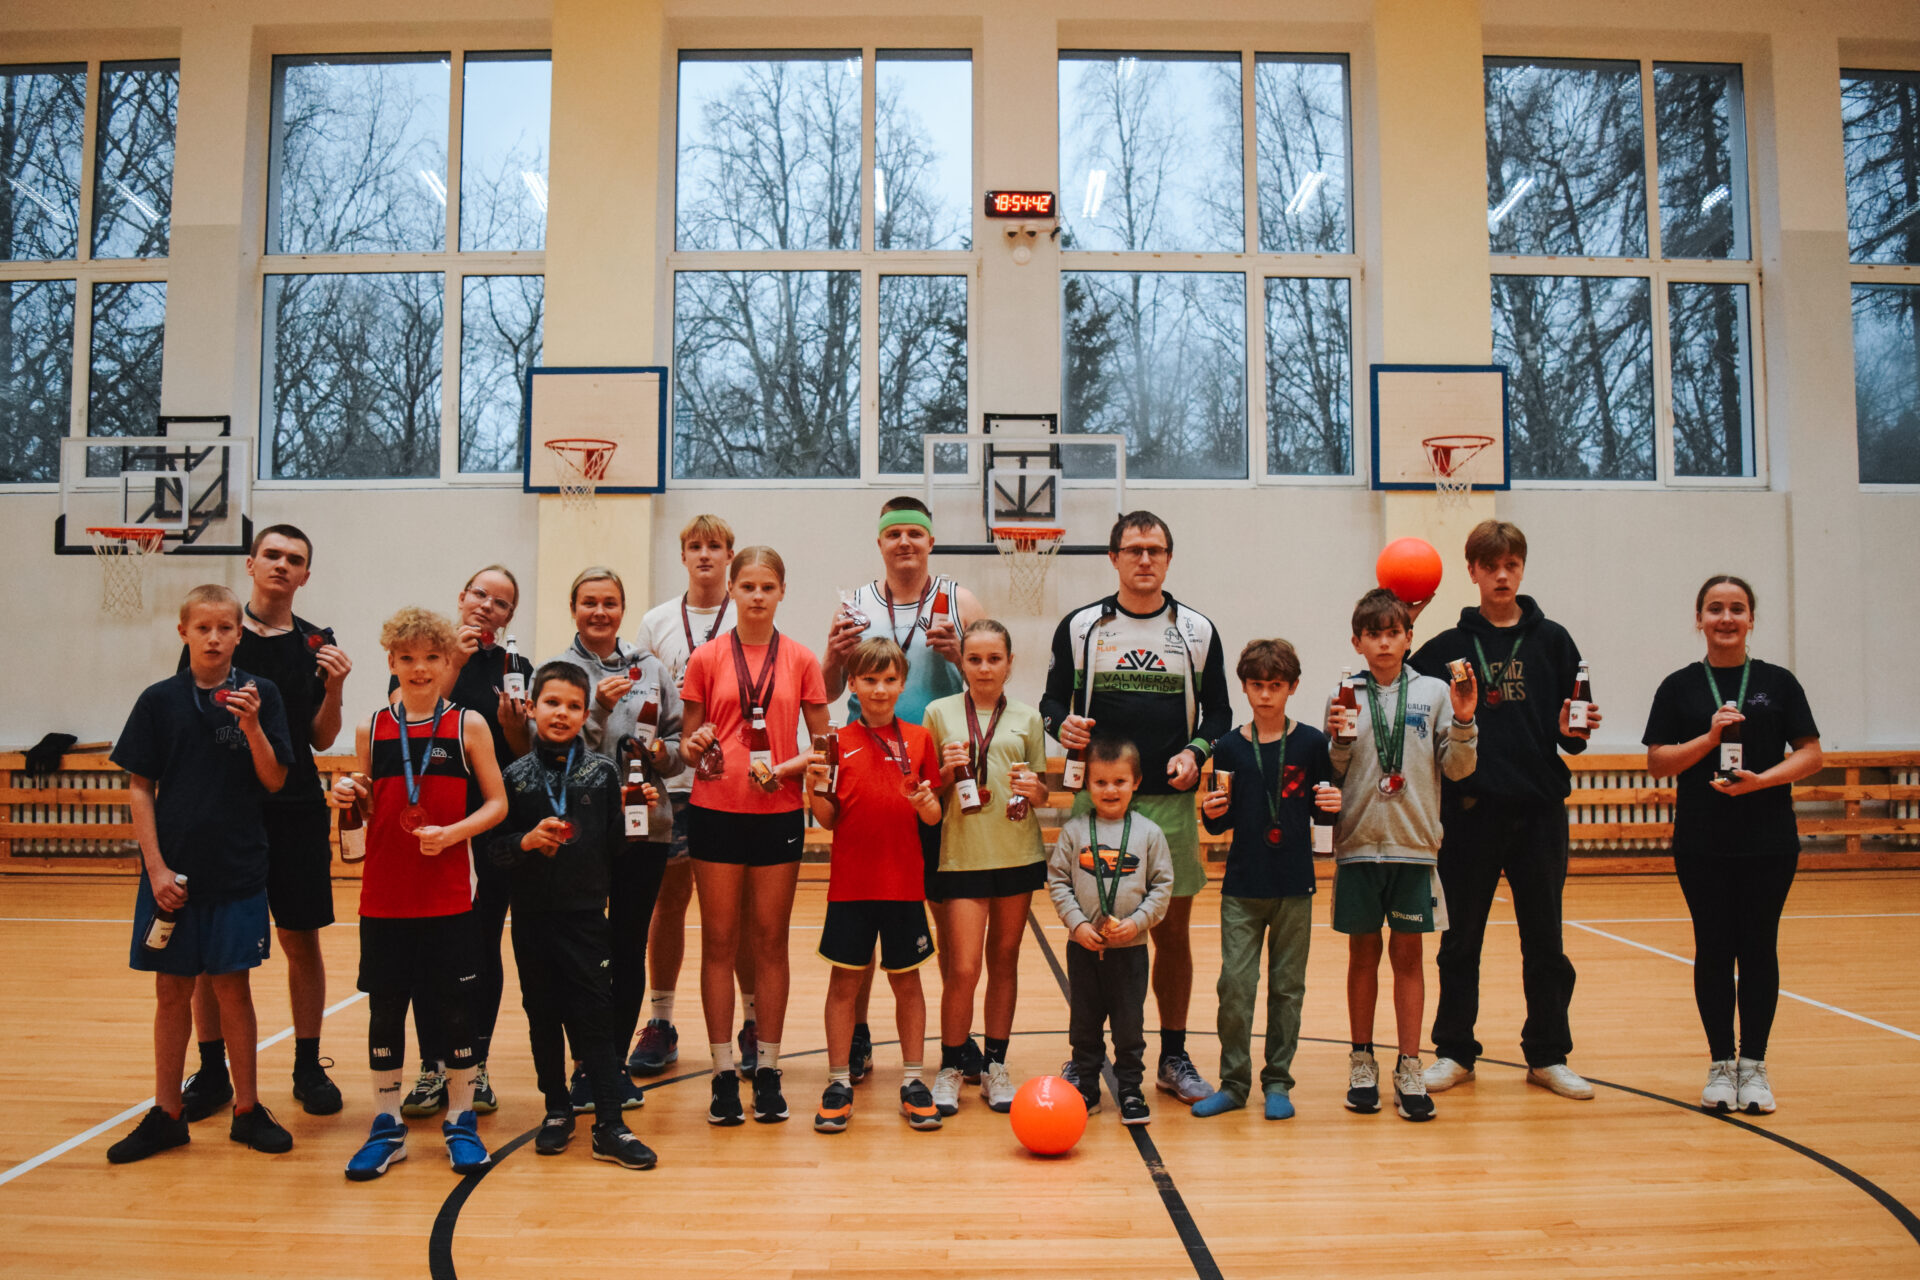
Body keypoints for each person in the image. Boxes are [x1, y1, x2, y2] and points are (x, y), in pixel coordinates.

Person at [1040, 511, 1229, 1106]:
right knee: (1094, 931)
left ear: (1169, 558)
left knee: (1171, 935)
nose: (1144, 559)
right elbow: (1050, 702)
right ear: (1113, 558)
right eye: (1133, 549)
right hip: (1096, 803)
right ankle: (1085, 1060)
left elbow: (1220, 714)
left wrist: (1197, 751)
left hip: (1169, 806)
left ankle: (1172, 1056)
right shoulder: (1082, 627)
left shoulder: (1196, 630)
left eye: (1155, 550)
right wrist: (1060, 725)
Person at [1407, 521, 1599, 1101]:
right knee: (1460, 941)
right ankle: (1454, 1051)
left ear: (1522, 569)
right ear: (1472, 571)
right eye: (1490, 565)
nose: (1501, 575)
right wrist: (1405, 619)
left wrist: (1575, 730)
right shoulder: (1443, 648)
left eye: (1511, 564)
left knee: (1545, 942)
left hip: (1539, 813)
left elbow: (1573, 733)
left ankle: (1548, 1055)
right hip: (1469, 814)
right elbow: (1400, 697)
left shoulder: (1555, 642)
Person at [107, 584, 297, 1163]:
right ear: (184, 632)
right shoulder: (158, 700)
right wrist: (156, 869)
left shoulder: (261, 694)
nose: (214, 638)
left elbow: (275, 780)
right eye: (203, 628)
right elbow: (140, 786)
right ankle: (167, 1114)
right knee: (171, 992)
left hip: (238, 869)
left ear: (239, 634)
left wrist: (253, 727)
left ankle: (247, 1108)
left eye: (225, 628)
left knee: (233, 988)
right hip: (172, 878)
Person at [176, 526, 351, 1122]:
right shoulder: (220, 630)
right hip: (226, 811)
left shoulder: (317, 644)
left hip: (295, 807)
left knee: (301, 938)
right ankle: (212, 1070)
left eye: (294, 559)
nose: (281, 564)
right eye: (271, 555)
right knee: (211, 946)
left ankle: (308, 1065)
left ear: (306, 575)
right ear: (251, 564)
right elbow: (191, 717)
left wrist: (337, 686)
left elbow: (321, 738)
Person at [330, 608, 507, 1181]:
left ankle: (461, 1120)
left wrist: (454, 833)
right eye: (407, 658)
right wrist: (348, 794)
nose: (420, 668)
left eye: (431, 657)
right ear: (391, 661)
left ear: (447, 659)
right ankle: (386, 1126)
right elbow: (371, 808)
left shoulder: (468, 725)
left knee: (454, 1009)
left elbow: (498, 804)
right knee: (385, 1010)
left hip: (449, 892)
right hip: (384, 894)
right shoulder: (372, 726)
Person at [821, 496, 984, 1084]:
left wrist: (958, 655)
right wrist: (833, 654)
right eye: (895, 534)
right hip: (868, 774)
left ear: (931, 542)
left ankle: (955, 1041)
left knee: (938, 917)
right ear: (881, 543)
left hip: (934, 772)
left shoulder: (960, 600)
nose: (905, 543)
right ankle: (859, 1036)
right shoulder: (855, 604)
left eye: (916, 533)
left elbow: (988, 679)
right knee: (865, 916)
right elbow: (828, 688)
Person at [1644, 575, 1821, 1115]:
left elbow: (1811, 754)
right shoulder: (1679, 686)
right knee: (1715, 949)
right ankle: (1721, 1064)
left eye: (1737, 609)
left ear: (1751, 620)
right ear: (1699, 619)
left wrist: (1762, 781)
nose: (1726, 618)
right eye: (1715, 608)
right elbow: (1658, 762)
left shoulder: (1777, 682)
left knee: (1759, 948)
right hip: (1702, 841)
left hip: (1768, 840)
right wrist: (1710, 738)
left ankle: (1755, 1066)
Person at [479, 662, 660, 1169]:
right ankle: (556, 1109)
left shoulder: (603, 773)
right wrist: (525, 841)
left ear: (586, 715)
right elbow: (493, 851)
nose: (562, 714)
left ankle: (609, 1123)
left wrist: (636, 815)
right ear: (531, 708)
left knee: (595, 1017)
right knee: (542, 1014)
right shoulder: (513, 776)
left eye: (574, 706)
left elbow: (617, 849)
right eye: (552, 703)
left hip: (586, 919)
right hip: (532, 918)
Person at [679, 547, 831, 1125]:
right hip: (715, 810)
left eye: (768, 586)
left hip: (777, 813)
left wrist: (790, 769)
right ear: (732, 591)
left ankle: (767, 1068)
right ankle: (722, 1072)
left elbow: (823, 747)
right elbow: (689, 742)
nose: (758, 596)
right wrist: (696, 745)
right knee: (719, 941)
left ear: (782, 591)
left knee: (770, 941)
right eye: (748, 586)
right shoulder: (706, 656)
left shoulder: (801, 659)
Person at [1328, 588, 1476, 1123]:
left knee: (1409, 958)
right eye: (1374, 634)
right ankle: (1362, 1061)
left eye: (1394, 632)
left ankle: (1409, 1065)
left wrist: (1464, 720)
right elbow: (1335, 770)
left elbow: (1457, 769)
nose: (1384, 643)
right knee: (1362, 956)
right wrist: (1337, 739)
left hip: (1414, 846)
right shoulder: (1345, 693)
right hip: (1358, 846)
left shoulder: (1435, 692)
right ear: (1358, 642)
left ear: (1409, 637)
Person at [543, 567, 684, 1111]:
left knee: (627, 947)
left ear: (623, 609)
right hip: (580, 830)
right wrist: (598, 707)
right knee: (582, 954)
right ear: (573, 608)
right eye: (589, 602)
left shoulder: (651, 667)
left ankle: (613, 1066)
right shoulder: (557, 672)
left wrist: (662, 754)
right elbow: (550, 750)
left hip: (645, 826)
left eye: (609, 602)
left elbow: (676, 743)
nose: (599, 611)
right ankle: (584, 1064)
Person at [399, 564, 531, 1119]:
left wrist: (513, 726)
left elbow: (523, 754)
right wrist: (450, 660)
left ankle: (474, 1064)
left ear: (508, 617)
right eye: (480, 594)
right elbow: (409, 723)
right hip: (430, 826)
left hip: (489, 828)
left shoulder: (515, 668)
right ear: (462, 596)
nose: (486, 607)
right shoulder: (425, 653)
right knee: (428, 951)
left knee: (480, 947)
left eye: (500, 603)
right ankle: (432, 1066)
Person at [1193, 639, 1338, 1121]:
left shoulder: (1312, 744)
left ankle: (1278, 1081)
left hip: (1295, 884)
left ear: (1292, 687)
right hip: (1242, 885)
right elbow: (1218, 822)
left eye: (1276, 685)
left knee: (1287, 989)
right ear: (1244, 687)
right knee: (1235, 986)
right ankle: (1233, 1084)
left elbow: (1324, 809)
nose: (1266, 695)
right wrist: (1211, 811)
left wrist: (1333, 807)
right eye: (1257, 685)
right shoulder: (1230, 746)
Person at [805, 637, 946, 1133]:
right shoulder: (835, 743)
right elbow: (827, 819)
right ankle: (838, 1082)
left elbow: (934, 817)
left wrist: (928, 805)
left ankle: (913, 1080)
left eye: (889, 679)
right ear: (852, 684)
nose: (880, 689)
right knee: (844, 983)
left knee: (907, 983)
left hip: (904, 886)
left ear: (903, 683)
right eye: (869, 679)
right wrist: (813, 787)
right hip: (850, 887)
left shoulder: (920, 739)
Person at [629, 516, 752, 1080]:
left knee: (737, 912)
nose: (705, 554)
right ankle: (661, 1020)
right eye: (695, 546)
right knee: (669, 904)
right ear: (682, 556)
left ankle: (752, 1021)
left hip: (732, 786)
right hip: (674, 784)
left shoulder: (750, 615)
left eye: (715, 546)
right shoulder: (656, 622)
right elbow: (642, 701)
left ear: (729, 555)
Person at [921, 620, 1051, 1115]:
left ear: (1009, 663)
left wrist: (1037, 791)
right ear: (962, 663)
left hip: (1018, 853)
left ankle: (996, 1065)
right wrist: (946, 771)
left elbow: (1040, 791)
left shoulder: (1028, 718)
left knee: (1005, 960)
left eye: (994, 659)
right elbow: (928, 790)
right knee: (963, 968)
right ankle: (951, 1066)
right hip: (962, 856)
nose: (984, 668)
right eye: (974, 659)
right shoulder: (939, 713)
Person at [1046, 736, 1174, 1125]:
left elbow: (1162, 887)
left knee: (1129, 1026)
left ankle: (1130, 1088)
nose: (1110, 790)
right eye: (1100, 782)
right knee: (1084, 1025)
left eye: (1119, 781)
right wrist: (1078, 924)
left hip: (1130, 951)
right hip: (1083, 949)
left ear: (1136, 782)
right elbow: (1058, 882)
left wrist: (1137, 922)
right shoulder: (1074, 831)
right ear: (1087, 783)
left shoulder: (1149, 833)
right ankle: (1086, 1086)